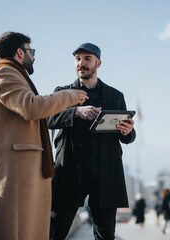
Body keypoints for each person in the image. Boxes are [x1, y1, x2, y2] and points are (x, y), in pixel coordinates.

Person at [0, 32, 88, 240]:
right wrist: (69, 97)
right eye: (30, 51)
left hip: (18, 173)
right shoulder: (5, 74)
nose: (33, 57)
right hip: (13, 175)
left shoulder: (11, 74)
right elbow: (31, 106)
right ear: (19, 52)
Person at [48, 43, 136, 240]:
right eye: (78, 59)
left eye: (87, 59)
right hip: (70, 171)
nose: (82, 63)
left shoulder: (115, 96)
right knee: (55, 233)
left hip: (105, 174)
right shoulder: (62, 92)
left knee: (106, 236)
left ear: (98, 63)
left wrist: (128, 131)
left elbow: (128, 137)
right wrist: (77, 112)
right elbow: (47, 119)